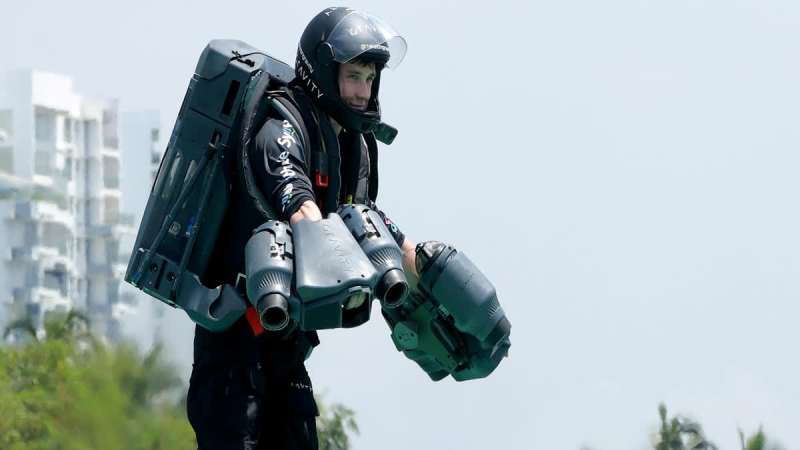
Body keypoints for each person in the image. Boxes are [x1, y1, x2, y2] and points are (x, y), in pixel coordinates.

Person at [186, 7, 416, 450]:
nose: (362, 92)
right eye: (353, 77)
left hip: (286, 345)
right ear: (324, 73)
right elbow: (300, 206)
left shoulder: (352, 147)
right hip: (234, 342)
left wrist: (423, 268)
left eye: (369, 79)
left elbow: (369, 221)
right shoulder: (280, 130)